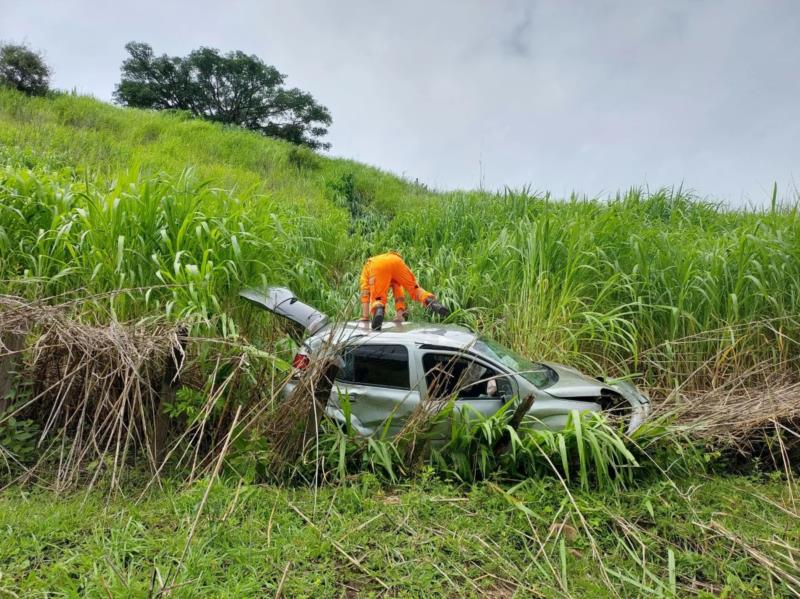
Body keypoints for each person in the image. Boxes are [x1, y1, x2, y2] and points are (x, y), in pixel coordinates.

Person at [359, 251, 450, 330]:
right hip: (397, 261)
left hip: (378, 265)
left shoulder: (367, 268)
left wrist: (365, 316)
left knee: (378, 299)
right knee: (415, 288)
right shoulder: (392, 265)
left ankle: (378, 309)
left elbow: (365, 292)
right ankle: (430, 300)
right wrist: (399, 315)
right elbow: (398, 292)